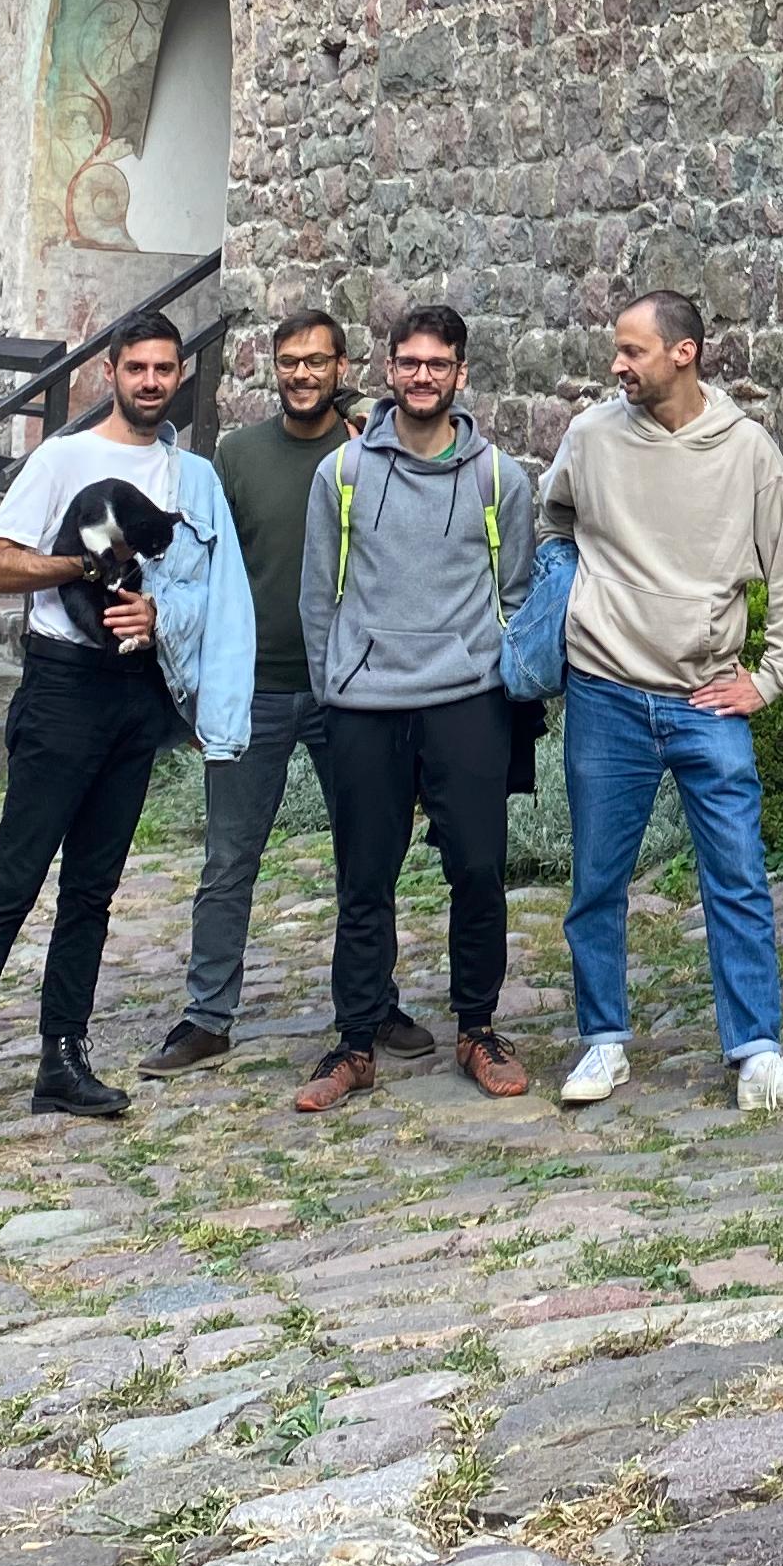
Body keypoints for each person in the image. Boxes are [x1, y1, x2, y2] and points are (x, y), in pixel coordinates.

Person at [0, 315, 256, 1153]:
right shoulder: (65, 460)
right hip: (64, 690)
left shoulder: (190, 476)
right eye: (135, 366)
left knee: (93, 893)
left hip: (137, 694)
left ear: (180, 376)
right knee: (12, 885)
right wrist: (83, 566)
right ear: (111, 371)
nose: (149, 380)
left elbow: (204, 590)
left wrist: (158, 614)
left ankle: (61, 1061)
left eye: (164, 368)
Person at [540, 292, 783, 1113]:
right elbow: (554, 516)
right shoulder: (592, 436)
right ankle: (603, 1044)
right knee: (598, 879)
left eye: (632, 350)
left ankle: (759, 1056)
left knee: (738, 878)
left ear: (684, 354)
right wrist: (585, 599)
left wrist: (772, 677)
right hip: (605, 690)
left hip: (707, 698)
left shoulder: (745, 450)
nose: (616, 365)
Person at [292, 306, 541, 1110]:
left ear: (461, 373)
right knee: (364, 876)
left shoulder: (501, 478)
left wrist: (484, 668)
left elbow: (515, 591)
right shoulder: (345, 473)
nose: (422, 375)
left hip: (467, 699)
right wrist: (336, 686)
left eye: (438, 363)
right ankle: (355, 1040)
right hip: (365, 701)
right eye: (408, 362)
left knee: (476, 870)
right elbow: (316, 595)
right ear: (389, 369)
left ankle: (477, 1026)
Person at [146, 310, 359, 1083]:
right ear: (273, 369)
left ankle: (370, 1006)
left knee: (364, 860)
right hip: (252, 688)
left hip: (351, 690)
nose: (302, 374)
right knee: (229, 861)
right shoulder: (235, 456)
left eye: (316, 361)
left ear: (342, 366)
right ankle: (208, 1017)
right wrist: (194, 684)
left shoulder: (369, 452)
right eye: (289, 362)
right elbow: (195, 571)